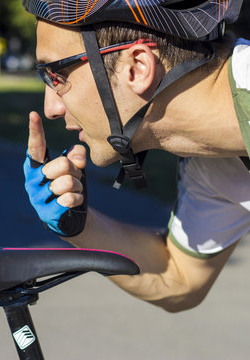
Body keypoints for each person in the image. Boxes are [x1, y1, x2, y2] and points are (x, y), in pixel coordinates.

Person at [22, 0, 250, 313]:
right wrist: (81, 226)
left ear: (137, 67)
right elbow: (178, 278)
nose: (51, 108)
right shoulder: (215, 164)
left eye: (57, 75)